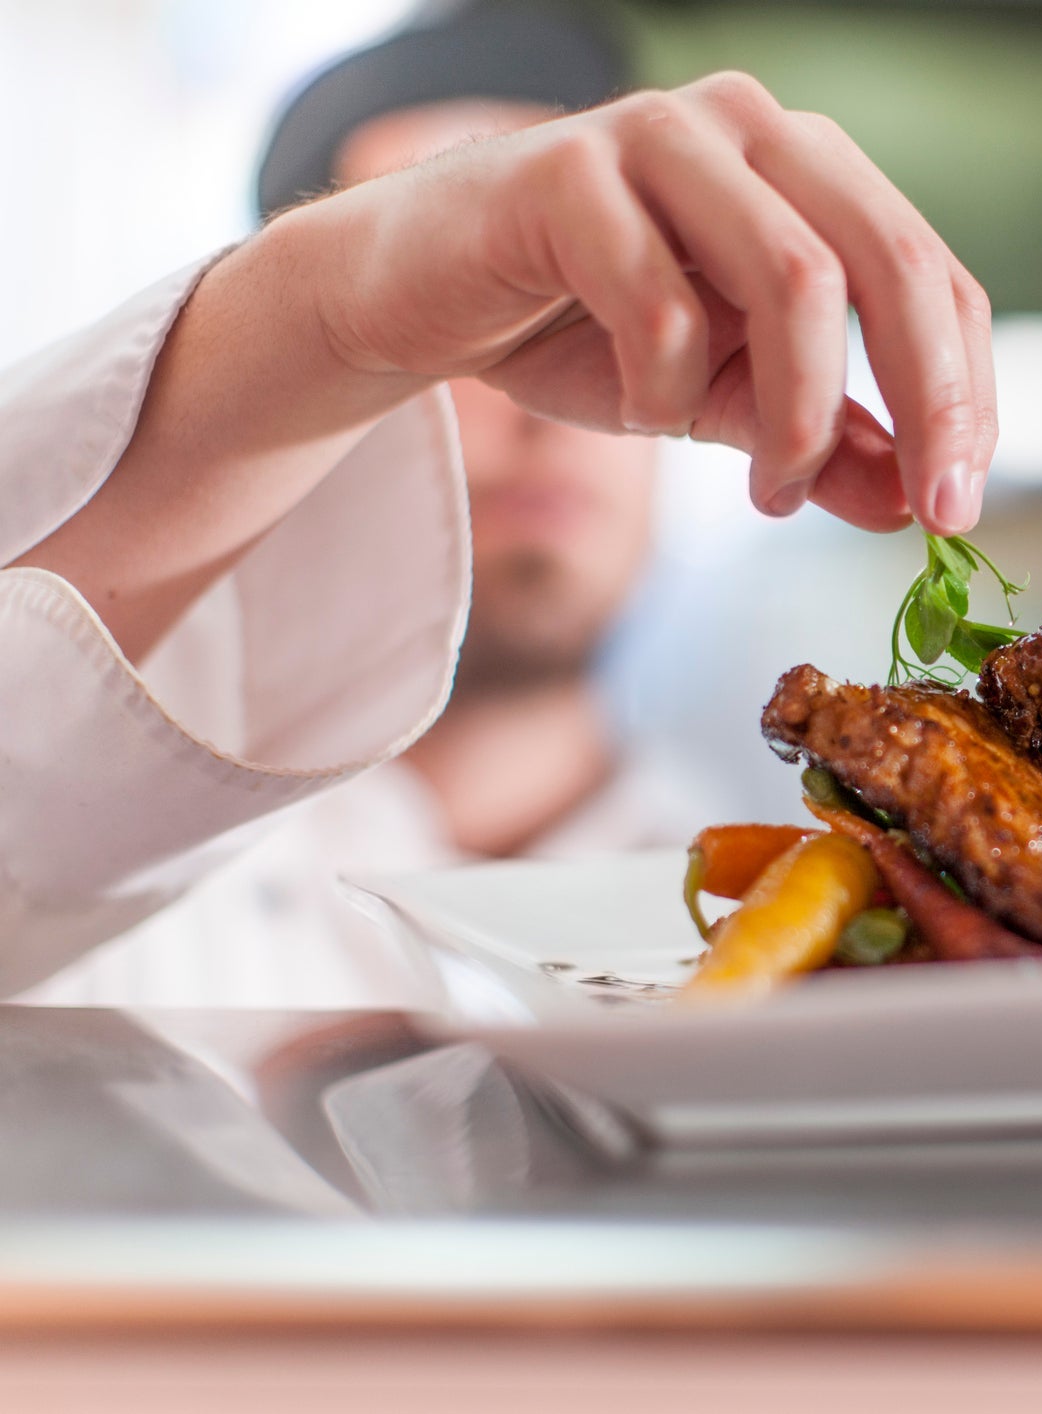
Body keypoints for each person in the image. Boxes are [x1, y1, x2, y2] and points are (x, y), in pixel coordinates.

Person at [0, 38, 998, 1007]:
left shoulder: (861, 903)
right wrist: (331, 316)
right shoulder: (85, 861)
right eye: (477, 309)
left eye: (617, 296)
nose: (537, 408)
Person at [19, 10, 722, 1006]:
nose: (558, 402)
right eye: (484, 309)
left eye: (617, 300)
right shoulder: (86, 887)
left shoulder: (817, 896)